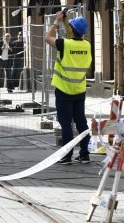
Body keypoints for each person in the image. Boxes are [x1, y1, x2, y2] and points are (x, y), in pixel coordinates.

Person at [45, 12, 92, 165]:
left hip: (64, 91)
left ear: (71, 30)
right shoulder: (87, 45)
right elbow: (73, 37)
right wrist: (67, 23)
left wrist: (56, 22)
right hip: (79, 90)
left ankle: (66, 156)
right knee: (81, 123)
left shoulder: (64, 44)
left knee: (66, 124)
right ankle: (84, 154)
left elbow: (48, 38)